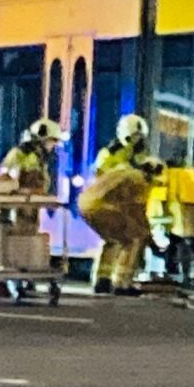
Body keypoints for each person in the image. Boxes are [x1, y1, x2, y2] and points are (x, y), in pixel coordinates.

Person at [80, 113, 160, 295]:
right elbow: (135, 203)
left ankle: (103, 279)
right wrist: (147, 231)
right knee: (133, 239)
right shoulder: (122, 163)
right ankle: (122, 282)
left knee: (113, 240)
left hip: (102, 205)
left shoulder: (122, 157)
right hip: (111, 206)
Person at [3, 116, 63, 197]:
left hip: (31, 200)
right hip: (20, 200)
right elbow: (8, 179)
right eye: (52, 141)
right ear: (42, 140)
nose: (52, 146)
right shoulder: (21, 154)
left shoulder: (41, 158)